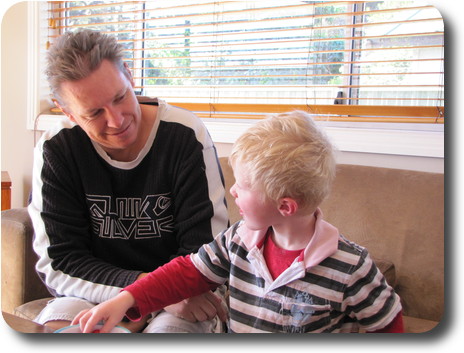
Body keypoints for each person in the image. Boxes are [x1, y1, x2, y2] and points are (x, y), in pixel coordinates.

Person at [72, 111, 404, 333]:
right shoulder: (239, 239)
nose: (232, 190)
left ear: (285, 206)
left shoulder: (351, 266)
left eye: (243, 186)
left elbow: (389, 324)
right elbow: (186, 273)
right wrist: (125, 299)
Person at [28, 29, 229, 333]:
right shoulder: (56, 149)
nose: (117, 120)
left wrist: (149, 298)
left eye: (120, 97)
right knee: (58, 323)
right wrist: (140, 294)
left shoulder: (186, 134)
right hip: (97, 292)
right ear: (66, 111)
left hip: (183, 294)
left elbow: (204, 251)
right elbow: (60, 263)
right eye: (94, 113)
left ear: (129, 76)